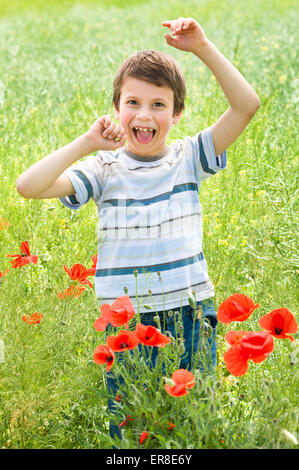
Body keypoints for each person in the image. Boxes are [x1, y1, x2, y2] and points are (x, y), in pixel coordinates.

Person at [16, 17, 260, 442]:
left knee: (190, 424)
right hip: (125, 323)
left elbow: (246, 105)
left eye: (158, 105)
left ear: (177, 113)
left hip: (188, 314)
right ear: (116, 109)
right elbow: (28, 186)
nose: (144, 115)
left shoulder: (189, 158)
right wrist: (87, 143)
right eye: (133, 103)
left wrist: (201, 46)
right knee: (134, 428)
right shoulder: (103, 168)